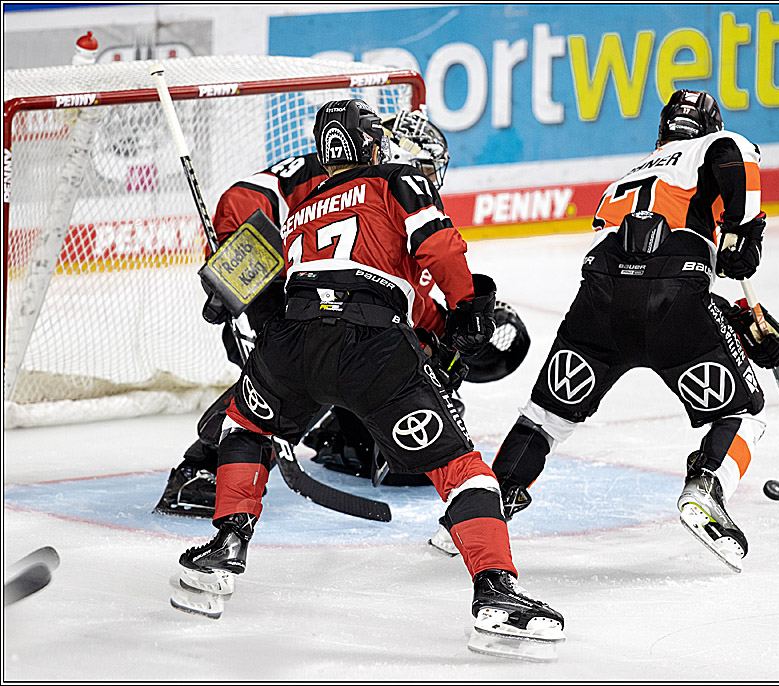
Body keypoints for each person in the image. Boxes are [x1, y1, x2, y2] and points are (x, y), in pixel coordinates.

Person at [170, 99, 564, 653]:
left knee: (246, 426)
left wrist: (245, 301)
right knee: (460, 466)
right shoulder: (396, 180)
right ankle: (495, 588)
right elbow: (438, 249)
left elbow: (261, 259)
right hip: (372, 348)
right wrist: (470, 306)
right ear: (377, 145)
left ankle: (227, 541)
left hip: (293, 341)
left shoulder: (306, 200)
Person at [449, 90, 779, 573]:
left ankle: (486, 505)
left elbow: (641, 261)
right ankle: (707, 488)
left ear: (662, 131)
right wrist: (742, 232)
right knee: (745, 413)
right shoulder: (714, 148)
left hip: (599, 305)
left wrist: (735, 318)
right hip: (674, 301)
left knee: (545, 417)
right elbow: (734, 158)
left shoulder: (630, 177)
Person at [154, 109, 530, 512]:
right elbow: (242, 200)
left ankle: (344, 434)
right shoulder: (365, 183)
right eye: (423, 166)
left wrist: (439, 337)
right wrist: (234, 269)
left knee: (339, 345)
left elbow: (399, 297)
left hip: (298, 265)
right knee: (300, 355)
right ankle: (202, 467)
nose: (430, 177)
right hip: (263, 249)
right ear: (389, 153)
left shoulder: (368, 180)